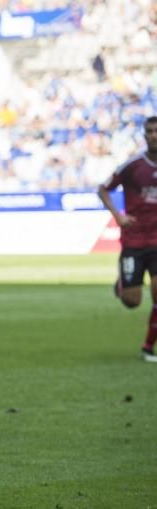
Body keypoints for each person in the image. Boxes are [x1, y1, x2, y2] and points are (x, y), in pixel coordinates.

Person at [98, 115, 157, 362]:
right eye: (150, 132)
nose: (154, 135)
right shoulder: (133, 166)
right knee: (132, 301)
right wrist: (118, 215)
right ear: (144, 136)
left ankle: (147, 347)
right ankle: (122, 284)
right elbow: (103, 189)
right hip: (134, 241)